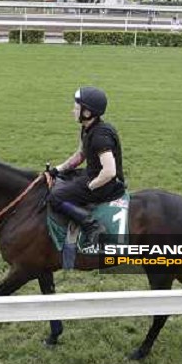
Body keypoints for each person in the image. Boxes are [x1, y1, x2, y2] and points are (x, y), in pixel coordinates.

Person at [48, 86, 125, 245]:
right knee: (64, 178)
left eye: (76, 108)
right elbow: (80, 155)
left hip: (105, 184)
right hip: (93, 174)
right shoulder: (88, 128)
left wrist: (91, 186)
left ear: (87, 113)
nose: (72, 111)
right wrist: (58, 170)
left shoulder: (100, 137)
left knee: (55, 197)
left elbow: (110, 171)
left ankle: (92, 226)